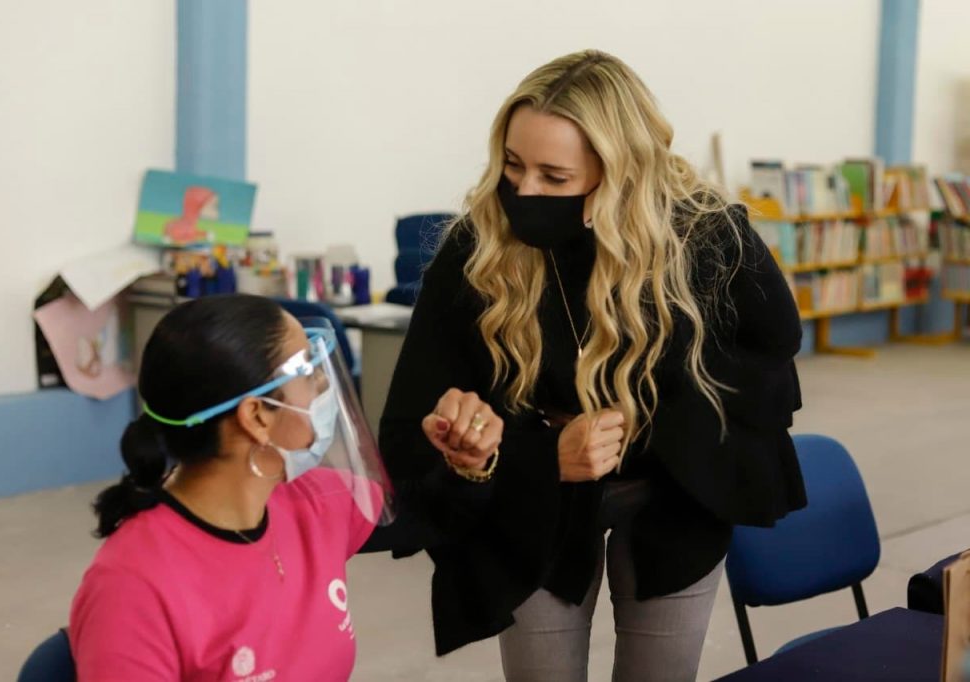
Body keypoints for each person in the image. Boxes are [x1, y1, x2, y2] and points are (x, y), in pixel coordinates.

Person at [378, 50, 806, 682]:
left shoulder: (705, 236)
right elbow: (409, 425)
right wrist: (534, 455)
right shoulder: (478, 248)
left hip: (677, 493)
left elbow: (766, 373)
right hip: (535, 500)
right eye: (513, 165)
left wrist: (646, 420)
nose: (524, 191)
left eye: (554, 177)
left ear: (622, 173)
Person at [69, 294, 497, 681]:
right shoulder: (132, 589)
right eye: (307, 371)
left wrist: (469, 460)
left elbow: (432, 515)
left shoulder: (312, 501)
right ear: (256, 416)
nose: (323, 384)